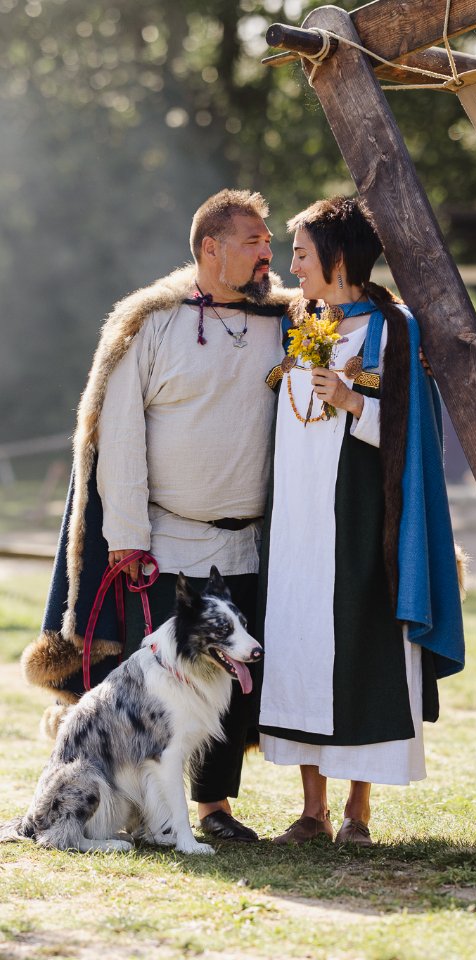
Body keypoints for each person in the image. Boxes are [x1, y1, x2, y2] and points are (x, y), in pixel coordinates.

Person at [22, 189, 292, 843]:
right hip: (164, 541)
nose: (269, 251)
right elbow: (117, 435)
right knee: (155, 689)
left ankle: (213, 808)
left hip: (245, 541)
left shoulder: (284, 322)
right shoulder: (152, 325)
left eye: (269, 241)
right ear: (211, 247)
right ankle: (132, 811)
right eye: (254, 240)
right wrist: (127, 539)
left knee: (231, 679)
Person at [258, 197, 465, 845]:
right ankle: (311, 811)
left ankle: (357, 810)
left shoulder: (393, 329)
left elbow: (413, 430)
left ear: (338, 258)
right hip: (296, 522)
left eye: (301, 254)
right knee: (300, 645)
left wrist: (352, 401)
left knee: (360, 645)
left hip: (360, 518)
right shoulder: (298, 322)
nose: (292, 266)